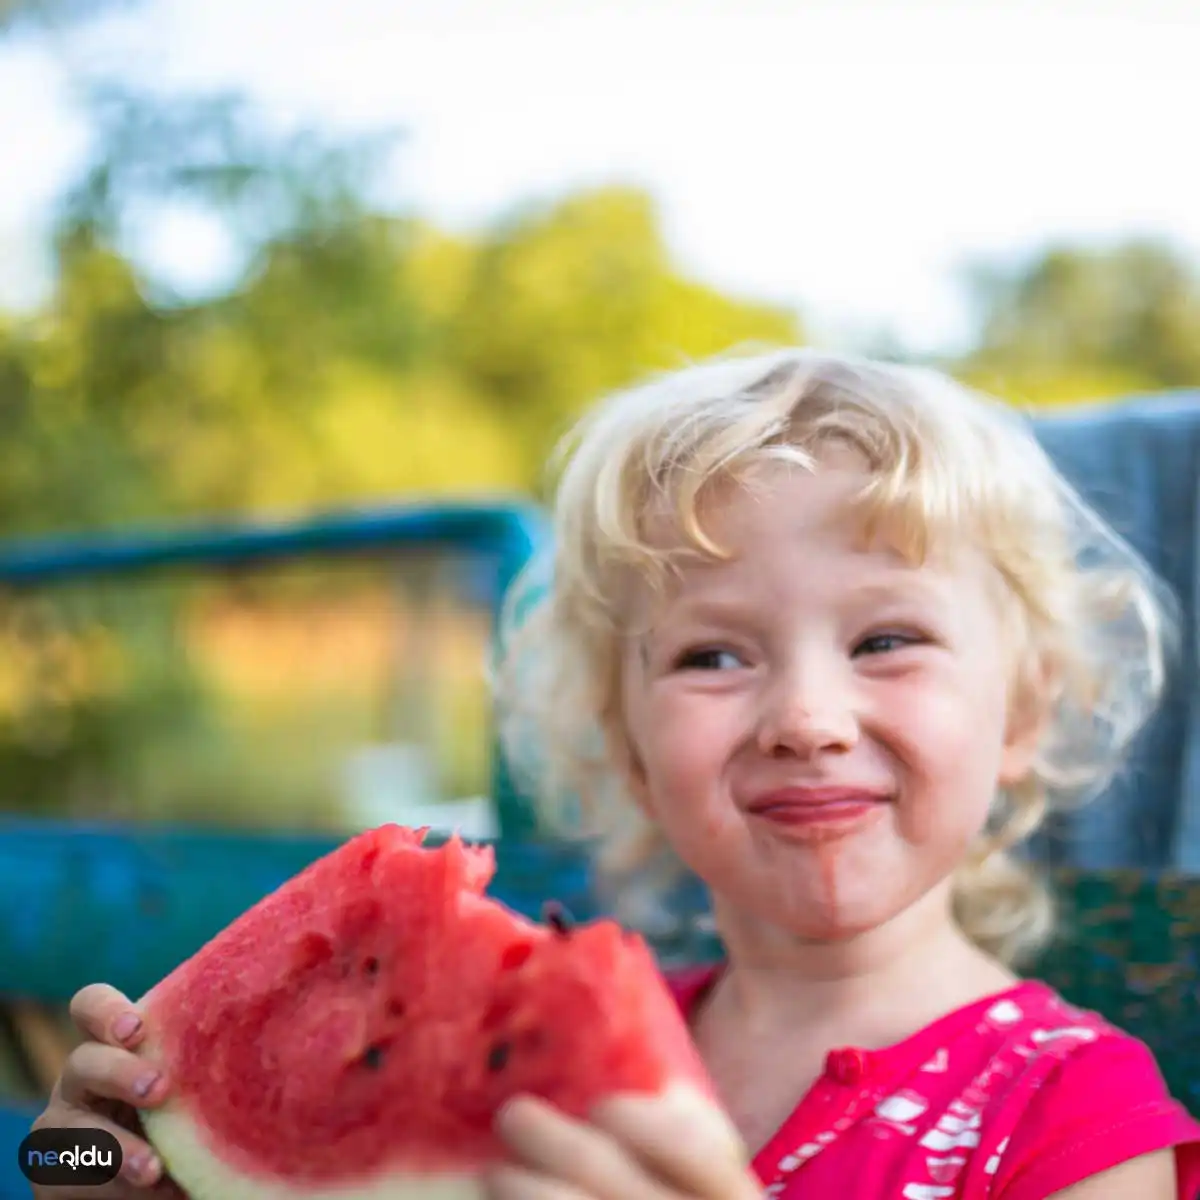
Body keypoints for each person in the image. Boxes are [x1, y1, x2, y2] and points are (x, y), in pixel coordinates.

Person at [31, 348, 1200, 1199]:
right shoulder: (516, 1058)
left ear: (1025, 711)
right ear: (627, 746)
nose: (804, 716)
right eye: (711, 655)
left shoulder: (1081, 1123)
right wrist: (124, 1164)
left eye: (886, 641)